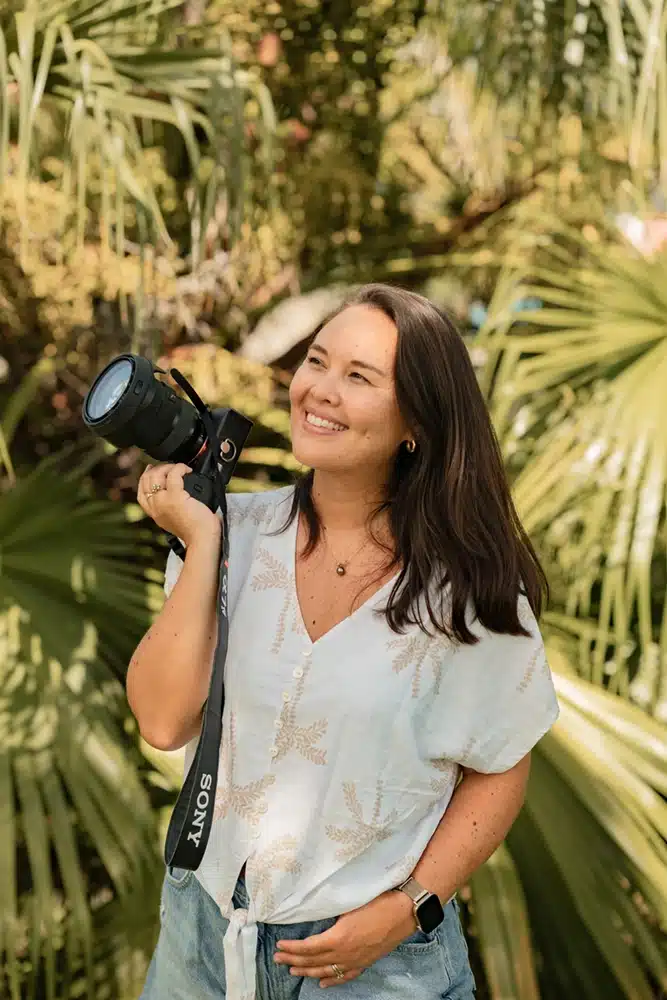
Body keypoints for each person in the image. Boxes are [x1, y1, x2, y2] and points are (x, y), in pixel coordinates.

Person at [129, 283, 560, 1000]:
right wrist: (201, 543)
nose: (319, 391)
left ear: (414, 423)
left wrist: (407, 910)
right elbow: (163, 720)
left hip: (371, 963)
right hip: (202, 934)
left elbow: (501, 767)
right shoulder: (232, 532)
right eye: (317, 362)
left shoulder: (468, 593)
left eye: (358, 378)